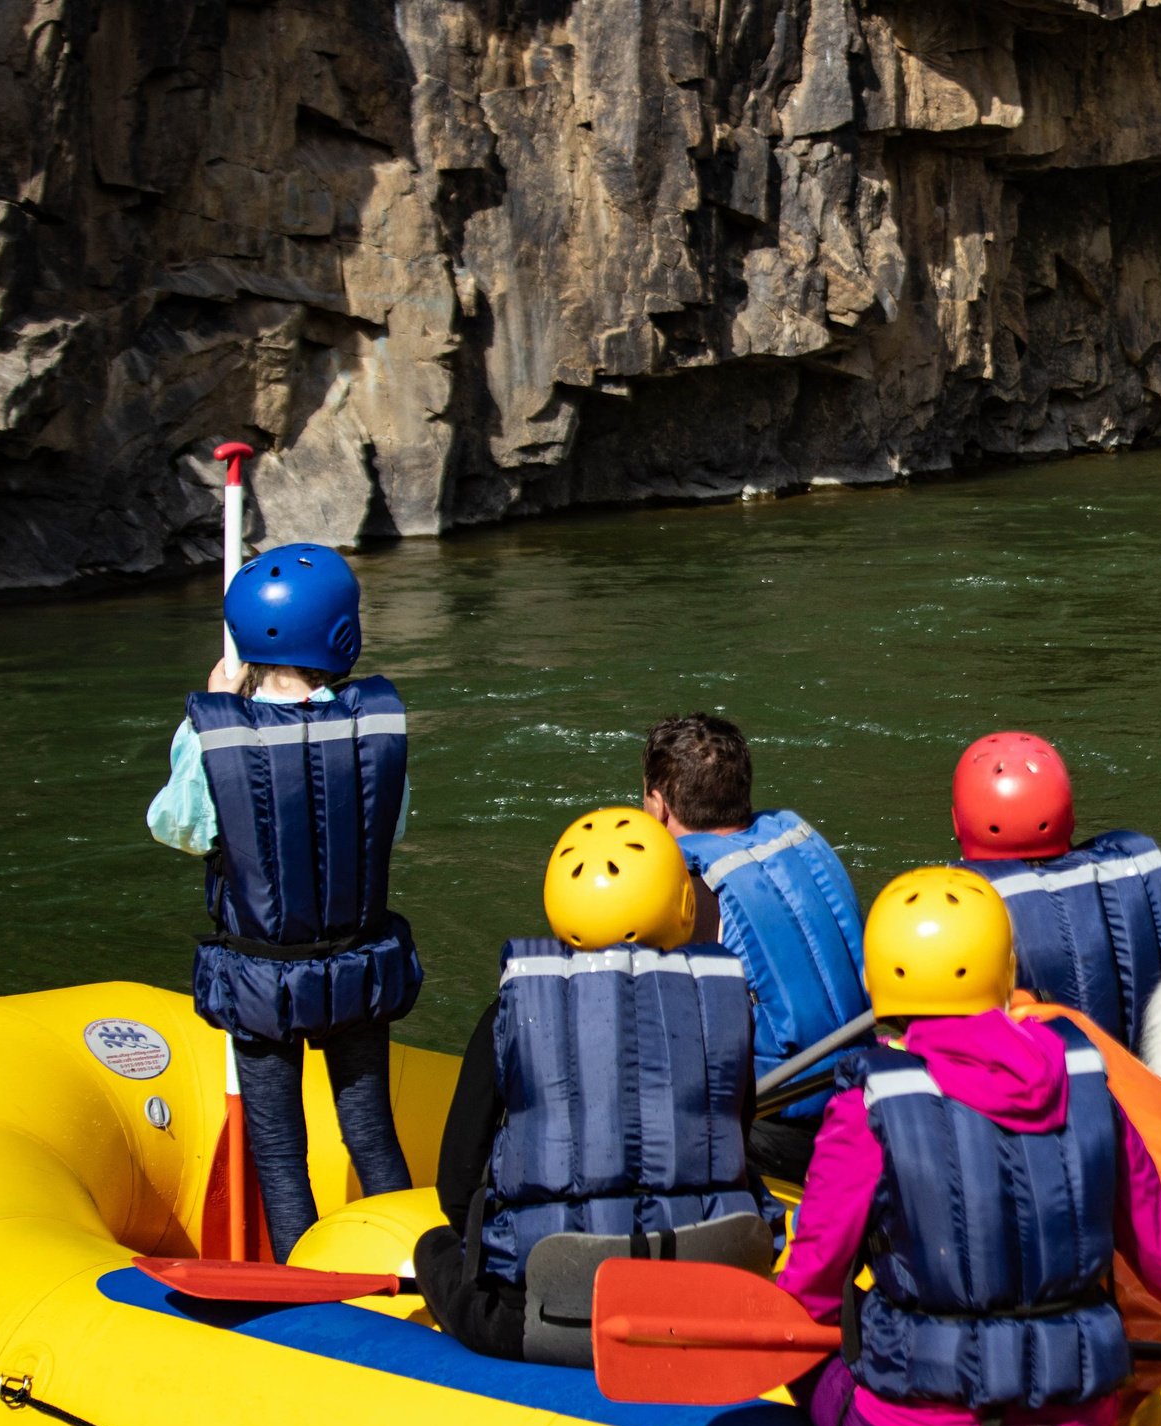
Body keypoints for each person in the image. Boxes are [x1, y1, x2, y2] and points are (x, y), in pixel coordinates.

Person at [778, 867, 1161, 1426]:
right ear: (1006, 970)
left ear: (877, 981)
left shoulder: (864, 1108)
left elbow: (810, 1291)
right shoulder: (1088, 1085)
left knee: (812, 1364)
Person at [414, 807, 768, 1361]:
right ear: (682, 904)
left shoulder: (508, 1014)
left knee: (431, 1248)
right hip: (702, 1300)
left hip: (547, 1315)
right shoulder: (725, 1008)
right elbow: (735, 1150)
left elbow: (456, 1184)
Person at [147, 543, 419, 1262]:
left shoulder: (217, 736)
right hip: (360, 967)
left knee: (278, 1143)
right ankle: (408, 1260)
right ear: (340, 633)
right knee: (370, 1131)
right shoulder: (375, 727)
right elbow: (391, 821)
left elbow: (178, 827)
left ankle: (304, 1272)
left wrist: (205, 717)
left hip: (261, 977)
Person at [642, 712, 867, 1184]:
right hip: (859, 1089)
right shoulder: (797, 845)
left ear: (659, 805)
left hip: (782, 1120)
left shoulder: (693, 891)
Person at [952, 730, 1161, 1052]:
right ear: (1069, 817)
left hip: (1057, 1092)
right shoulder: (1139, 863)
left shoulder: (957, 904)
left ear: (958, 824)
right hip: (1154, 1080)